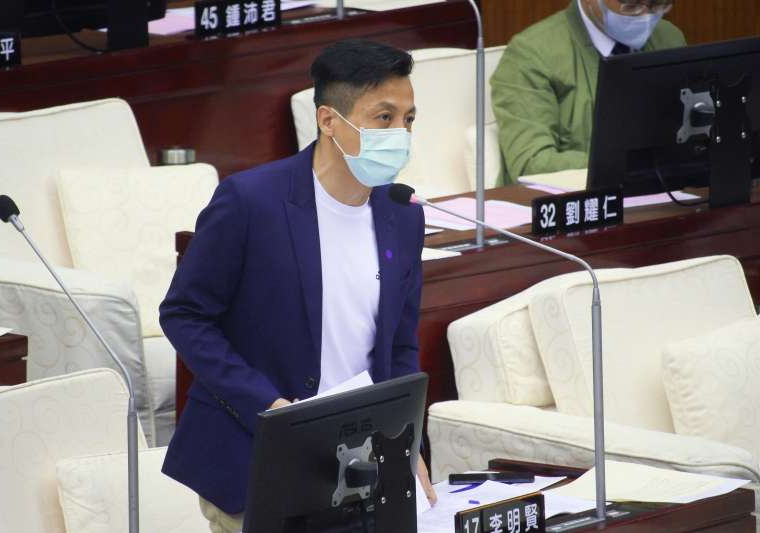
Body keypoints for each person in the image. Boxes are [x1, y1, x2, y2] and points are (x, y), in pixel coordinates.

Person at [159, 39, 436, 532]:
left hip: (356, 466)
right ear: (329, 121)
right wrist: (269, 408)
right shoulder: (250, 201)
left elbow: (399, 345)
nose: (401, 134)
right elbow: (184, 314)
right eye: (384, 118)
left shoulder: (402, 215)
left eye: (408, 119)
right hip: (253, 455)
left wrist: (406, 443)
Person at [491, 0, 686, 184]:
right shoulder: (530, 54)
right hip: (568, 201)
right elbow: (532, 164)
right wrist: (634, 164)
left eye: (658, 4)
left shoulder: (668, 38)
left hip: (661, 197)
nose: (645, 16)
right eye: (631, 5)